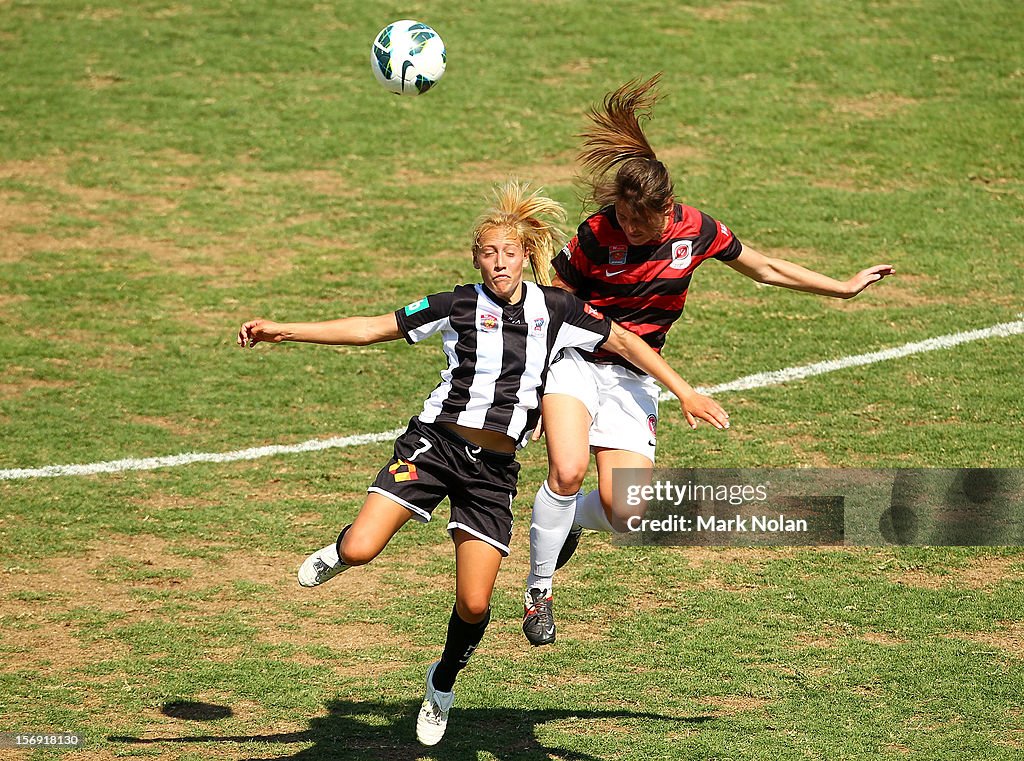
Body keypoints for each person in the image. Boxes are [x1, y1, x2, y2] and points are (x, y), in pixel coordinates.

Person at [236, 180, 728, 746]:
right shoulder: (455, 304)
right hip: (434, 447)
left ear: (526, 256)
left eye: (510, 253)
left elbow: (627, 343)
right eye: (489, 254)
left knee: (473, 603)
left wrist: (684, 391)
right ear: (477, 259)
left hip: (493, 474)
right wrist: (285, 331)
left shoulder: (558, 308)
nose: (500, 263)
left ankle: (441, 682)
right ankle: (340, 550)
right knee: (360, 550)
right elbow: (372, 328)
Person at [522, 74, 895, 646]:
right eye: (620, 217)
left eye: (637, 222)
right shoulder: (596, 235)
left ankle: (565, 519)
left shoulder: (695, 231)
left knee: (629, 513)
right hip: (578, 359)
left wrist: (841, 288)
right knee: (567, 472)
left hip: (634, 375)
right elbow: (550, 299)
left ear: (665, 210)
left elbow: (766, 268)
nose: (626, 228)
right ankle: (539, 591)